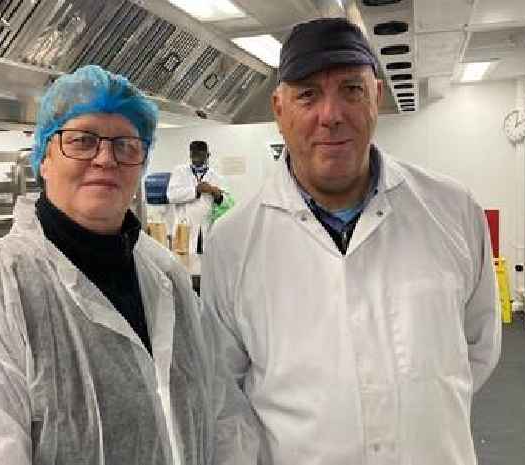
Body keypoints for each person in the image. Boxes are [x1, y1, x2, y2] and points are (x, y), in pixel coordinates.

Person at [0, 65, 263, 465]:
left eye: (126, 144)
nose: (106, 159)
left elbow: (223, 419)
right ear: (43, 158)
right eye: (82, 140)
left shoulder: (166, 276)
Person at [201, 18, 501, 465]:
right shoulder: (233, 243)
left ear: (376, 97)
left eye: (351, 90)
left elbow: (478, 348)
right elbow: (224, 394)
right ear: (279, 110)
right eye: (308, 94)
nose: (331, 114)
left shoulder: (452, 210)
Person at [167, 141, 226, 256]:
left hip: (206, 228)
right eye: (193, 154)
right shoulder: (180, 171)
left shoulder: (215, 176)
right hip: (184, 227)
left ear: (207, 155)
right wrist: (196, 190)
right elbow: (171, 195)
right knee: (183, 263)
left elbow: (224, 201)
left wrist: (215, 192)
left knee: (204, 264)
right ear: (190, 155)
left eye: (200, 154)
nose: (196, 158)